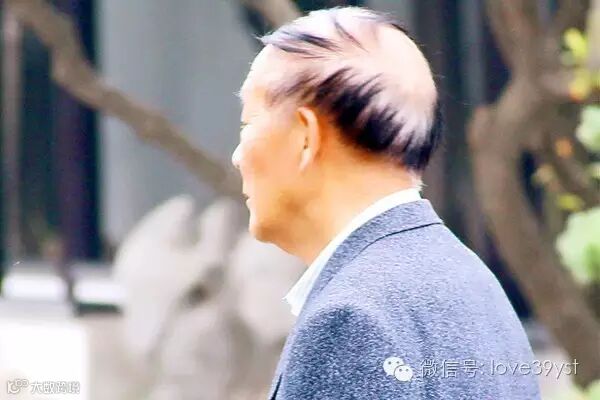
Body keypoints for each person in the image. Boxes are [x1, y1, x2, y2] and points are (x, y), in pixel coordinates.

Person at [231, 7, 540, 400]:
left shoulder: (349, 321)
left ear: (305, 136)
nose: (237, 156)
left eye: (248, 123)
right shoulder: (475, 285)